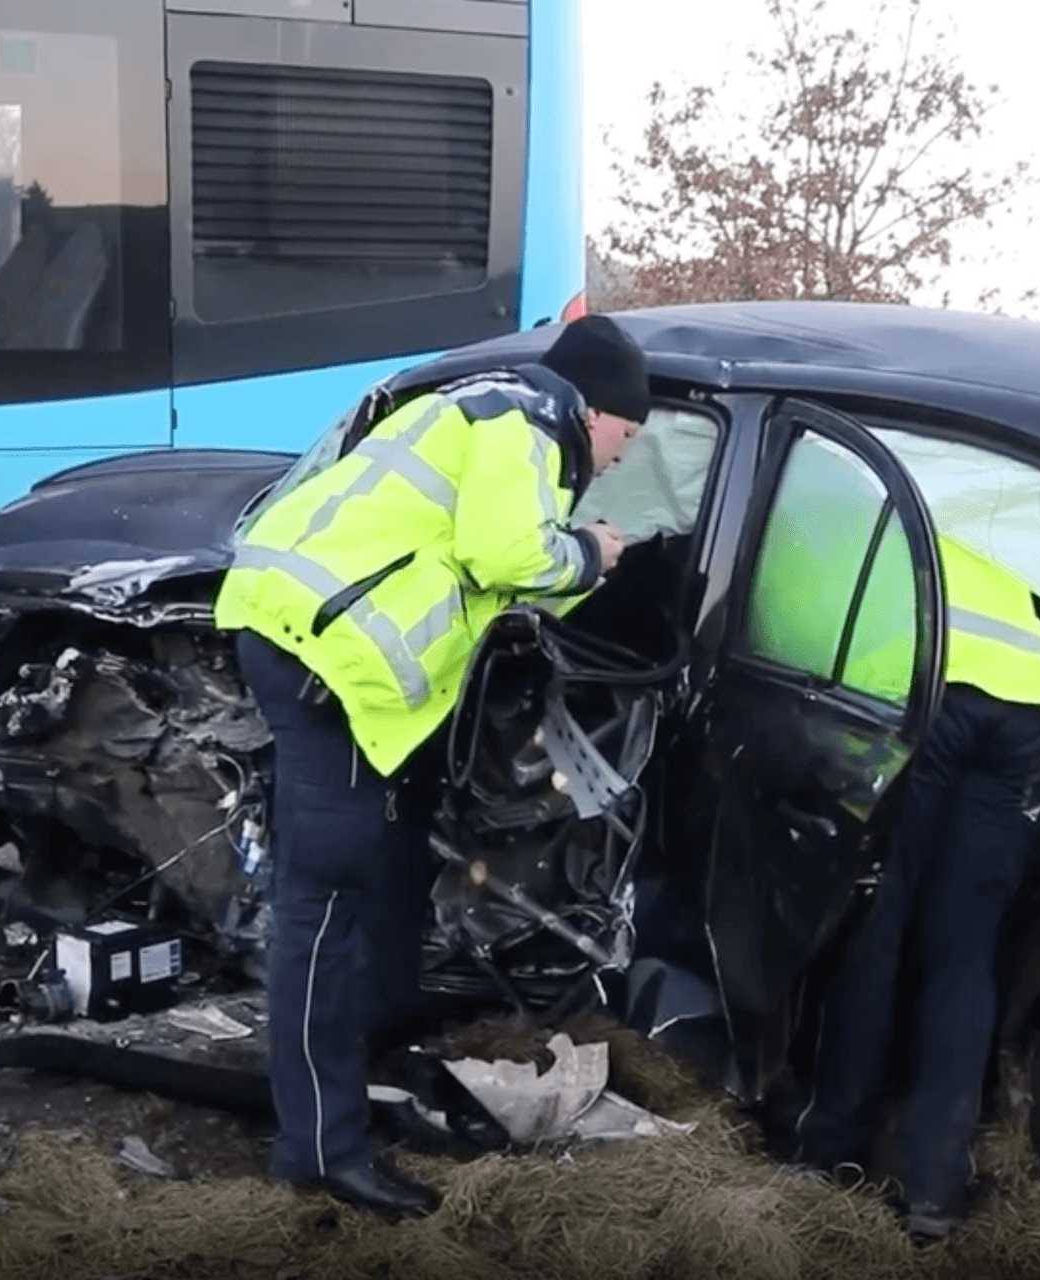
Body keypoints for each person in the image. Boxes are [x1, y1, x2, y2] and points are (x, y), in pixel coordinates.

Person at [213, 314, 650, 1218]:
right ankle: (322, 1152)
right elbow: (508, 552)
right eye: (627, 436)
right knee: (323, 906)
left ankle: (372, 1038)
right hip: (325, 660)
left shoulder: (479, 405)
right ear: (597, 408)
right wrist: (593, 554)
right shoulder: (529, 421)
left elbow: (451, 547)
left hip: (301, 631)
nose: (618, 457)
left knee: (385, 858)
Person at [793, 533, 1040, 1240]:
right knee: (963, 954)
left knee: (878, 926)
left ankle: (831, 1149)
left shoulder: (878, 510)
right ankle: (934, 1186)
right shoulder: (985, 514)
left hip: (928, 690)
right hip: (1031, 705)